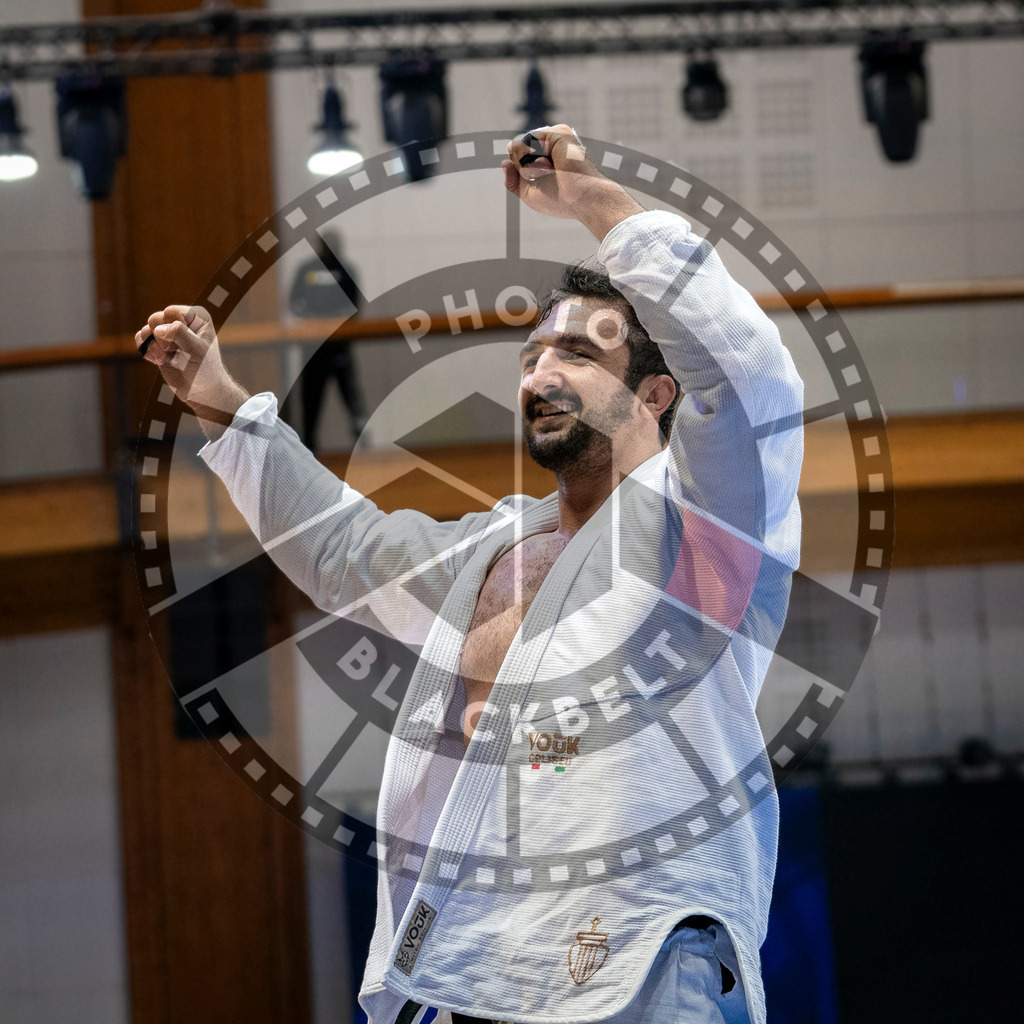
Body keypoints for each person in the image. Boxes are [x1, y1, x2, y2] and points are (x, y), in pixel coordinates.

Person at [136, 125, 803, 1024]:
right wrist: (220, 400)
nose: (539, 373)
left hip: (644, 957)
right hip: (473, 968)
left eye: (576, 352)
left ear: (656, 393)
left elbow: (751, 378)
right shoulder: (490, 553)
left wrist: (595, 204)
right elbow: (340, 551)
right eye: (530, 358)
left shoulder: (710, 527)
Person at [287, 227, 368, 449]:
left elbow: (355, 306)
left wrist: (337, 321)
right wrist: (311, 319)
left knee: (353, 402)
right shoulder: (306, 271)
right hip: (312, 350)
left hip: (339, 347)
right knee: (310, 404)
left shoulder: (347, 270)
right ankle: (309, 451)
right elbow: (294, 302)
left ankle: (365, 447)